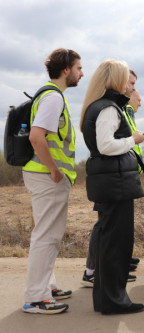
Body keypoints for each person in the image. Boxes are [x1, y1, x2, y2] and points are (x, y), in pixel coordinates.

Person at [80, 59, 144, 314]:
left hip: (110, 182)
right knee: (116, 244)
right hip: (115, 183)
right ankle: (114, 300)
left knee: (111, 242)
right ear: (115, 79)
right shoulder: (109, 108)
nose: (131, 86)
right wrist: (133, 139)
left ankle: (107, 299)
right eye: (127, 79)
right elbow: (106, 146)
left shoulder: (98, 106)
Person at [21, 48, 83, 315]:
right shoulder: (53, 97)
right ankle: (36, 298)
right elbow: (37, 137)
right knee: (46, 237)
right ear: (66, 69)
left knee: (47, 235)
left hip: (43, 175)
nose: (82, 73)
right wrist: (55, 170)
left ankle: (47, 286)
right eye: (79, 68)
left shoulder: (50, 94)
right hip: (47, 177)